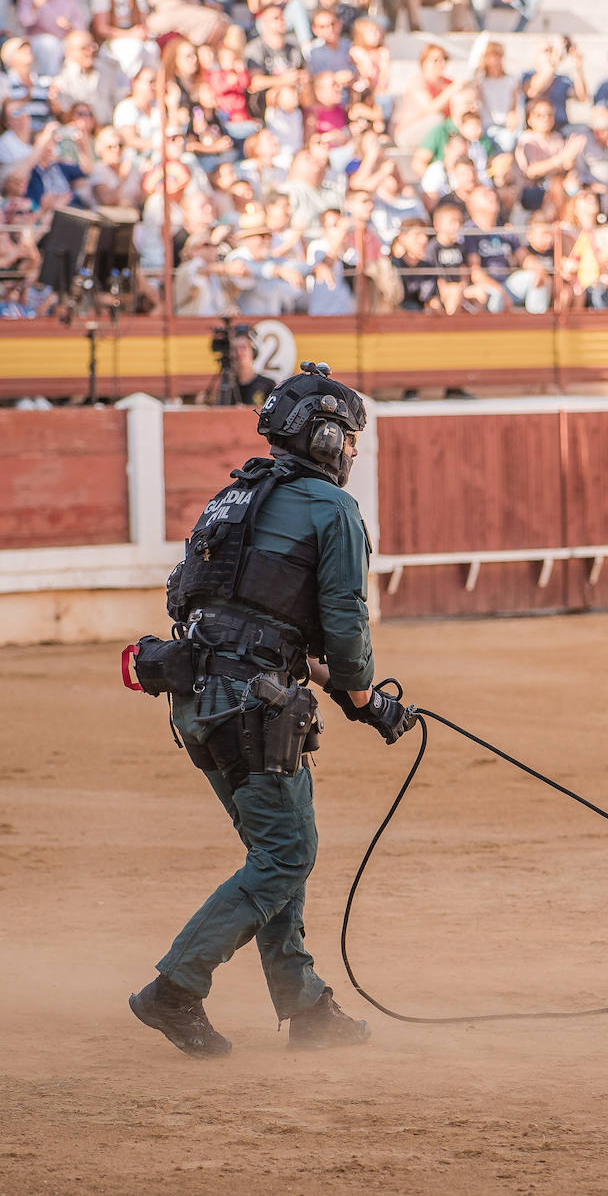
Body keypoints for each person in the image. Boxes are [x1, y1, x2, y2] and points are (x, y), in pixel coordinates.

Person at [128, 362, 416, 1057]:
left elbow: (232, 613)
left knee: (278, 850)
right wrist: (361, 699)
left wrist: (345, 693)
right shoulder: (331, 509)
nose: (350, 452)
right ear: (320, 437)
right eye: (345, 437)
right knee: (287, 853)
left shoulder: (233, 497)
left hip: (198, 699)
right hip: (255, 709)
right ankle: (175, 989)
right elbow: (344, 625)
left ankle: (308, 1007)